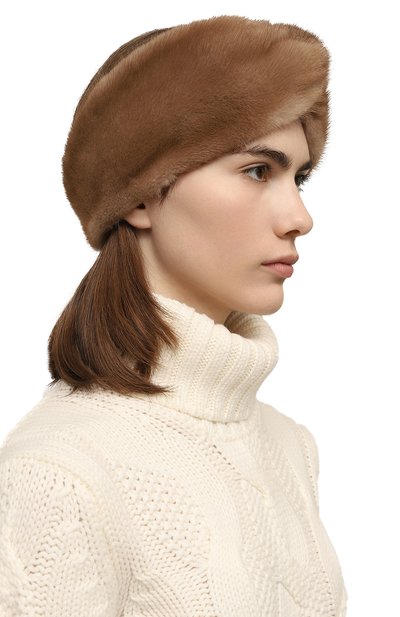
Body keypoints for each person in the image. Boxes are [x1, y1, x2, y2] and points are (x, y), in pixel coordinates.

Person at [0, 14, 347, 616]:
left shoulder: (291, 448)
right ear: (141, 195)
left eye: (300, 177)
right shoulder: (57, 472)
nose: (299, 217)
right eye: (258, 171)